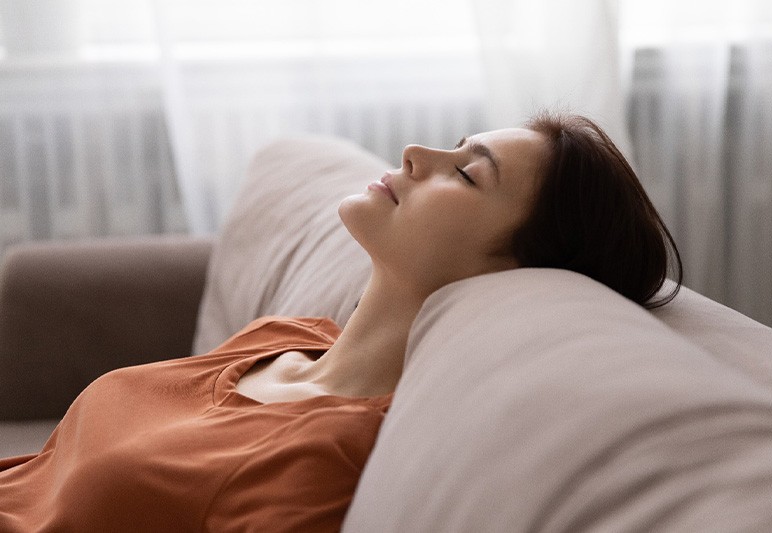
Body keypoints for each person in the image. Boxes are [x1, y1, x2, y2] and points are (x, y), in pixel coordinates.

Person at [0, 111, 681, 532]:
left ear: (515, 273)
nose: (416, 153)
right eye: (454, 145)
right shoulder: (287, 337)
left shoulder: (324, 461)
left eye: (468, 175)